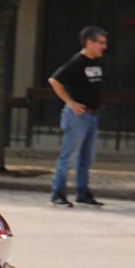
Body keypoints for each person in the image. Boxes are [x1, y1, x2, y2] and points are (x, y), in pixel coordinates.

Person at [48, 25, 109, 207]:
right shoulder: (77, 62)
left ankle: (83, 193)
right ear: (89, 42)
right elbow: (55, 80)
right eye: (101, 43)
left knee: (86, 158)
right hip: (77, 117)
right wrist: (70, 102)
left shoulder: (97, 61)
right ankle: (58, 194)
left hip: (92, 115)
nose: (104, 47)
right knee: (68, 156)